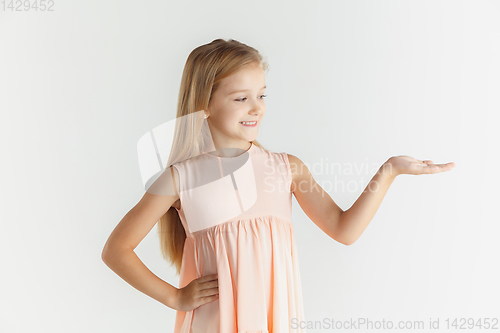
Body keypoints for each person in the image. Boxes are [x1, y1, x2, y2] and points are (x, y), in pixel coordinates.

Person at [101, 38, 456, 333]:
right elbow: (116, 250)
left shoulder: (285, 168)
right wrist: (175, 297)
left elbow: (344, 230)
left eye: (262, 95)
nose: (256, 108)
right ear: (204, 104)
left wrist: (389, 170)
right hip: (213, 322)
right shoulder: (181, 177)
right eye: (241, 98)